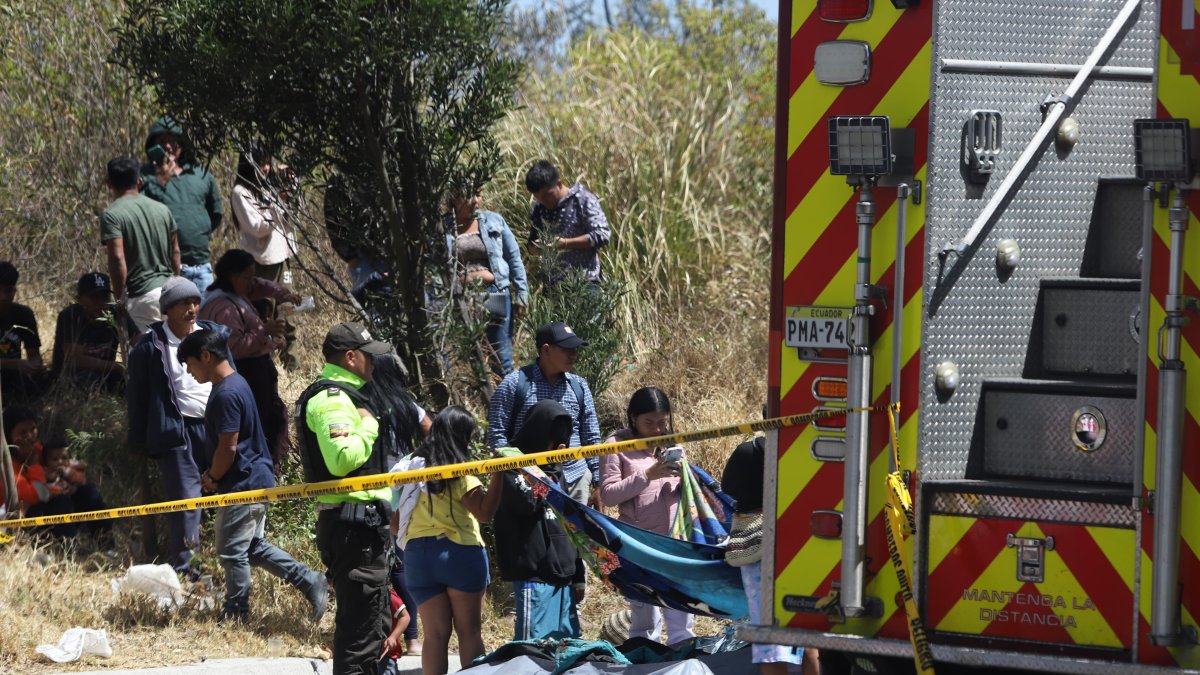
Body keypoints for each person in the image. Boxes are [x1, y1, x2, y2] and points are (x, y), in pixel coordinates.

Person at [178, 328, 327, 622]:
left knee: (232, 551)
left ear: (206, 356)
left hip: (243, 484)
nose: (188, 372)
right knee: (251, 547)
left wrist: (212, 476)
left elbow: (228, 446)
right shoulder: (235, 384)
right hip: (255, 478)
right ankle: (310, 581)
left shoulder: (227, 393)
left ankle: (237, 611)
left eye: (190, 364)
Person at [297, 322, 395, 675]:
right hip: (355, 528)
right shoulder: (334, 399)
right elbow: (340, 460)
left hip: (361, 526)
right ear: (351, 357)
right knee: (359, 636)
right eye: (369, 356)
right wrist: (368, 424)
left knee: (371, 628)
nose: (374, 363)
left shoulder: (350, 395)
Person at [127, 276, 225, 575]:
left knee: (229, 494)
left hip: (217, 429)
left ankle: (228, 563)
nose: (192, 309)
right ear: (167, 309)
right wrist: (140, 439)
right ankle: (188, 571)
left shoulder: (213, 336)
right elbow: (138, 397)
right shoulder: (149, 347)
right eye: (184, 303)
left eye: (195, 302)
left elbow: (230, 375)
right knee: (185, 504)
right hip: (176, 433)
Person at [401, 406, 502, 675]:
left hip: (418, 558)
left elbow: (394, 522)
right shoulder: (461, 470)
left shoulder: (411, 468)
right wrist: (500, 473)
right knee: (469, 632)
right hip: (460, 554)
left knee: (434, 636)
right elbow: (484, 513)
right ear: (461, 437)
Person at [598, 386, 696, 645]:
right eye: (649, 422)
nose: (656, 429)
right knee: (645, 614)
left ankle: (682, 655)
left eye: (662, 422)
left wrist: (685, 476)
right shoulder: (616, 446)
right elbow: (607, 495)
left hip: (674, 540)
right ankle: (645, 657)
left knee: (680, 610)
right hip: (638, 543)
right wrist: (647, 476)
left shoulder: (671, 443)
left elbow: (687, 489)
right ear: (632, 418)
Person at [722, 432, 817, 675]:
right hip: (799, 547)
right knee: (808, 636)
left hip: (756, 554)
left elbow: (728, 486)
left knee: (770, 643)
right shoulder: (802, 451)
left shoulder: (748, 451)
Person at [198, 250, 301, 470]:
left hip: (258, 372)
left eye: (252, 276)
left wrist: (282, 294)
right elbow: (234, 347)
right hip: (248, 375)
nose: (251, 282)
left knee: (274, 420)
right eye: (246, 277)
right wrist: (265, 331)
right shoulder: (224, 307)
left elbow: (261, 286)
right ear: (232, 276)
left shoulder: (238, 291)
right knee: (261, 426)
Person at [493, 400, 585, 641]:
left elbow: (568, 523)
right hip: (535, 577)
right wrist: (551, 471)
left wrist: (578, 575)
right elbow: (527, 503)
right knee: (531, 652)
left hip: (563, 578)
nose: (558, 448)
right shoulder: (513, 466)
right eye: (553, 442)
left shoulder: (555, 472)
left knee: (566, 652)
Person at [486, 321, 601, 505]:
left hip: (576, 479)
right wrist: (521, 473)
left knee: (579, 534)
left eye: (575, 349)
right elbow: (496, 435)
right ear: (546, 350)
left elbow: (591, 436)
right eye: (567, 349)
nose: (574, 355)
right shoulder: (514, 384)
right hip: (529, 483)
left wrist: (597, 481)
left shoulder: (579, 386)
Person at [230, 145, 300, 371]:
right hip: (262, 264)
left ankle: (292, 363)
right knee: (264, 315)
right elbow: (258, 227)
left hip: (284, 259)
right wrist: (277, 202)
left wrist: (291, 185)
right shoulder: (241, 192)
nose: (266, 168)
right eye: (260, 164)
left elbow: (294, 212)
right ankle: (265, 364)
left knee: (288, 310)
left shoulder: (271, 186)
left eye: (268, 163)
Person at [443, 189, 528, 376]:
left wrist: (522, 293)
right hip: (461, 298)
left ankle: (506, 402)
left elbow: (514, 257)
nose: (476, 201)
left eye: (479, 194)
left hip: (495, 293)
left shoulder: (493, 220)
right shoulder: (444, 227)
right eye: (469, 196)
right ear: (455, 199)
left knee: (501, 360)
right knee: (470, 361)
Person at [141, 117, 223, 293]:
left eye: (173, 141)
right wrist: (161, 181)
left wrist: (198, 231)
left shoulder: (200, 173)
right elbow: (141, 215)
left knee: (205, 318)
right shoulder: (145, 176)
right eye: (162, 141)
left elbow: (215, 213)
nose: (168, 146)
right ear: (152, 144)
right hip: (163, 269)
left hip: (201, 266)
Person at [102, 156, 180, 334]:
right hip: (171, 292)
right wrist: (177, 283)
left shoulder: (112, 214)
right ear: (139, 180)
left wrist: (120, 301)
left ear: (109, 183)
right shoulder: (162, 209)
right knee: (178, 356)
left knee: (147, 357)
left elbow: (117, 257)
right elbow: (175, 251)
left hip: (142, 297)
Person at [524, 160, 611, 284]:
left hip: (584, 282)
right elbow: (531, 244)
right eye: (538, 198)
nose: (544, 201)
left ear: (559, 184)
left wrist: (565, 243)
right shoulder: (539, 209)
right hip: (553, 285)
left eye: (547, 195)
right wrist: (538, 247)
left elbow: (602, 234)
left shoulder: (582, 200)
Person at [50, 272, 123, 391]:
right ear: (79, 299)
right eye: (94, 297)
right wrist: (117, 366)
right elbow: (75, 360)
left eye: (104, 297)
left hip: (106, 374)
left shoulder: (116, 314)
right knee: (87, 379)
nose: (100, 303)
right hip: (73, 378)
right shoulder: (71, 316)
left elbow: (138, 339)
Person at [41, 438, 112, 540]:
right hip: (54, 517)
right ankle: (68, 546)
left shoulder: (70, 469)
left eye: (64, 458)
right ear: (45, 462)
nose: (60, 462)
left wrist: (69, 477)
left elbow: (82, 480)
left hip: (73, 511)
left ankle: (105, 542)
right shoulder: (43, 473)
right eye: (55, 459)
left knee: (90, 491)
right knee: (62, 501)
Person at [0, 261, 46, 398]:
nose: (3, 297)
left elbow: (34, 354)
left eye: (7, 291)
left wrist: (35, 367)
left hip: (13, 377)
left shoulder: (23, 314)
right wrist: (14, 364)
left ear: (14, 291)